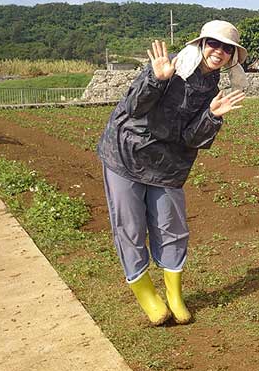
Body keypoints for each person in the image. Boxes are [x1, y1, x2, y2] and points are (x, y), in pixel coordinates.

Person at [97, 20, 247, 326]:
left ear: (232, 56)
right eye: (213, 44)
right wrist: (156, 78)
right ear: (202, 45)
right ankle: (146, 294)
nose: (218, 52)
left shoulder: (213, 90)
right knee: (130, 227)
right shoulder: (172, 66)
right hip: (127, 154)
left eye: (226, 48)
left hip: (169, 165)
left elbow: (193, 138)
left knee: (172, 227)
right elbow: (134, 107)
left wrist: (211, 115)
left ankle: (174, 295)